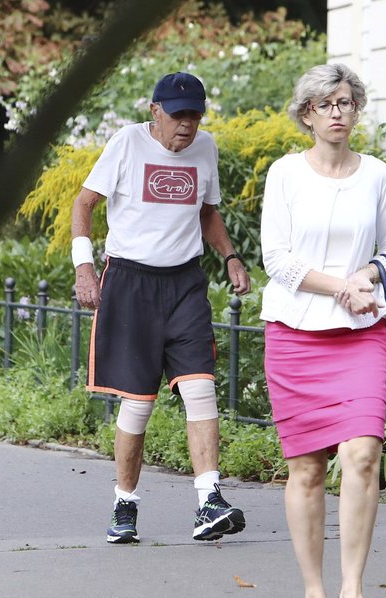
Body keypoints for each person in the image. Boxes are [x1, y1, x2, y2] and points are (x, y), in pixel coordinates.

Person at [71, 72, 251, 545]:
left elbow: (207, 212)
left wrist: (230, 255)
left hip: (184, 283)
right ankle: (124, 503)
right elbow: (84, 203)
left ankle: (209, 500)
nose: (187, 126)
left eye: (195, 115)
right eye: (178, 115)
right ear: (156, 112)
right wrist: (84, 267)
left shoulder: (205, 148)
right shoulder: (127, 144)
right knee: (138, 404)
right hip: (131, 282)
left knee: (201, 389)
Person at [260, 63, 386, 598]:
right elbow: (278, 260)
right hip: (296, 333)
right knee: (307, 469)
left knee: (364, 454)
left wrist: (365, 275)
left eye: (346, 102)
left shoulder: (377, 175)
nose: (338, 112)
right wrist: (341, 285)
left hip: (362, 330)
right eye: (326, 104)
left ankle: (354, 592)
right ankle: (316, 595)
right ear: (307, 115)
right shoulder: (285, 175)